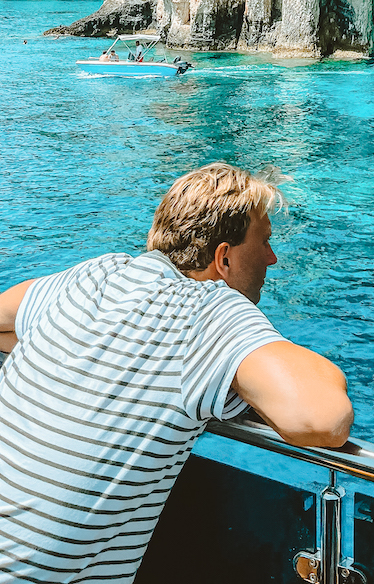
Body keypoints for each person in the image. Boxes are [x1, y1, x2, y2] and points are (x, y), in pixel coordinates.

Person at [0, 162, 353, 583]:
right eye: (265, 242)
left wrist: (87, 352)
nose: (272, 258)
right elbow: (322, 420)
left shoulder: (92, 275)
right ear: (224, 258)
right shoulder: (212, 313)